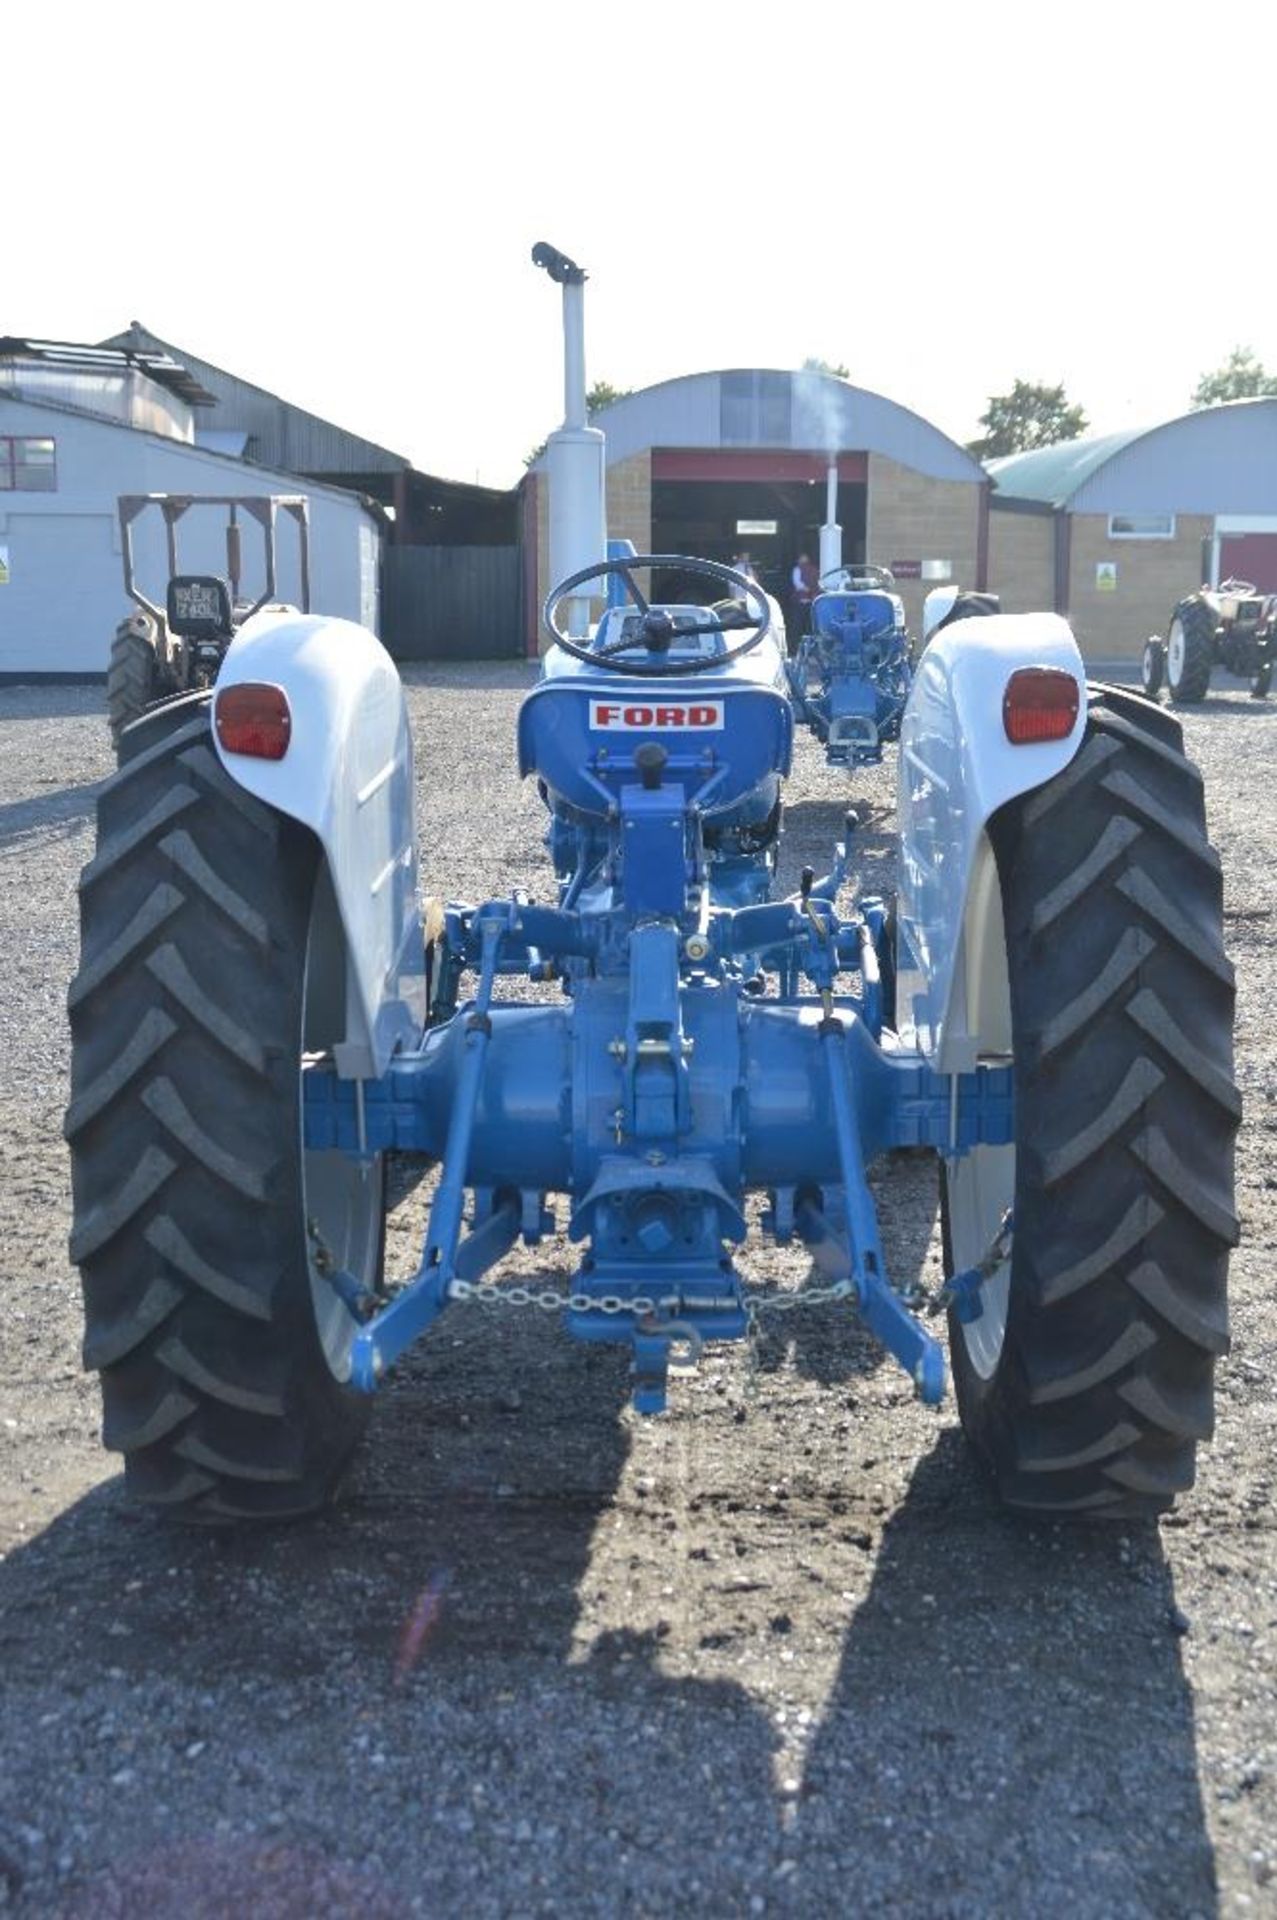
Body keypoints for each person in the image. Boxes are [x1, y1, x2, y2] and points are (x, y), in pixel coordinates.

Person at [790, 551, 819, 642]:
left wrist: (809, 590)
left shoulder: (798, 569)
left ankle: (799, 645)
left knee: (801, 625)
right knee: (805, 625)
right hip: (805, 601)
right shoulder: (800, 569)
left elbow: (797, 584)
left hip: (807, 601)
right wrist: (811, 590)